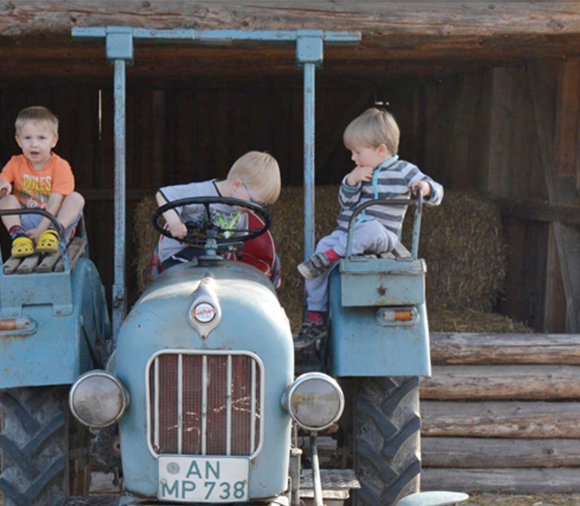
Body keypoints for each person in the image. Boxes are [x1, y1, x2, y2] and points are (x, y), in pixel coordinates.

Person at [293, 107, 443, 349]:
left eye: (357, 152)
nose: (353, 158)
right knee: (321, 245)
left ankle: (329, 258)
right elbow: (345, 203)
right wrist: (351, 182)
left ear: (380, 150)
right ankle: (315, 316)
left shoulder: (404, 170)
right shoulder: (359, 172)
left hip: (382, 236)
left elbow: (438, 193)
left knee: (369, 228)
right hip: (347, 236)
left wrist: (424, 187)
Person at [151, 151, 282, 276]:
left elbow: (239, 242)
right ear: (236, 185)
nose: (253, 209)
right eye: (253, 201)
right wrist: (175, 223)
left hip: (214, 260)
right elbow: (164, 194)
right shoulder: (202, 192)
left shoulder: (240, 209)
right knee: (210, 272)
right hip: (180, 255)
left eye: (260, 205)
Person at [0, 106, 85, 258]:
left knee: (76, 198)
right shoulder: (15, 163)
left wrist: (42, 230)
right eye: (27, 138)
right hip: (26, 222)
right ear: (18, 141)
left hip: (55, 222)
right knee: (6, 199)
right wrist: (0, 185)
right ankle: (19, 237)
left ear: (54, 141)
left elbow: (55, 202)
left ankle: (53, 234)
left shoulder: (60, 166)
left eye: (41, 138)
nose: (34, 144)